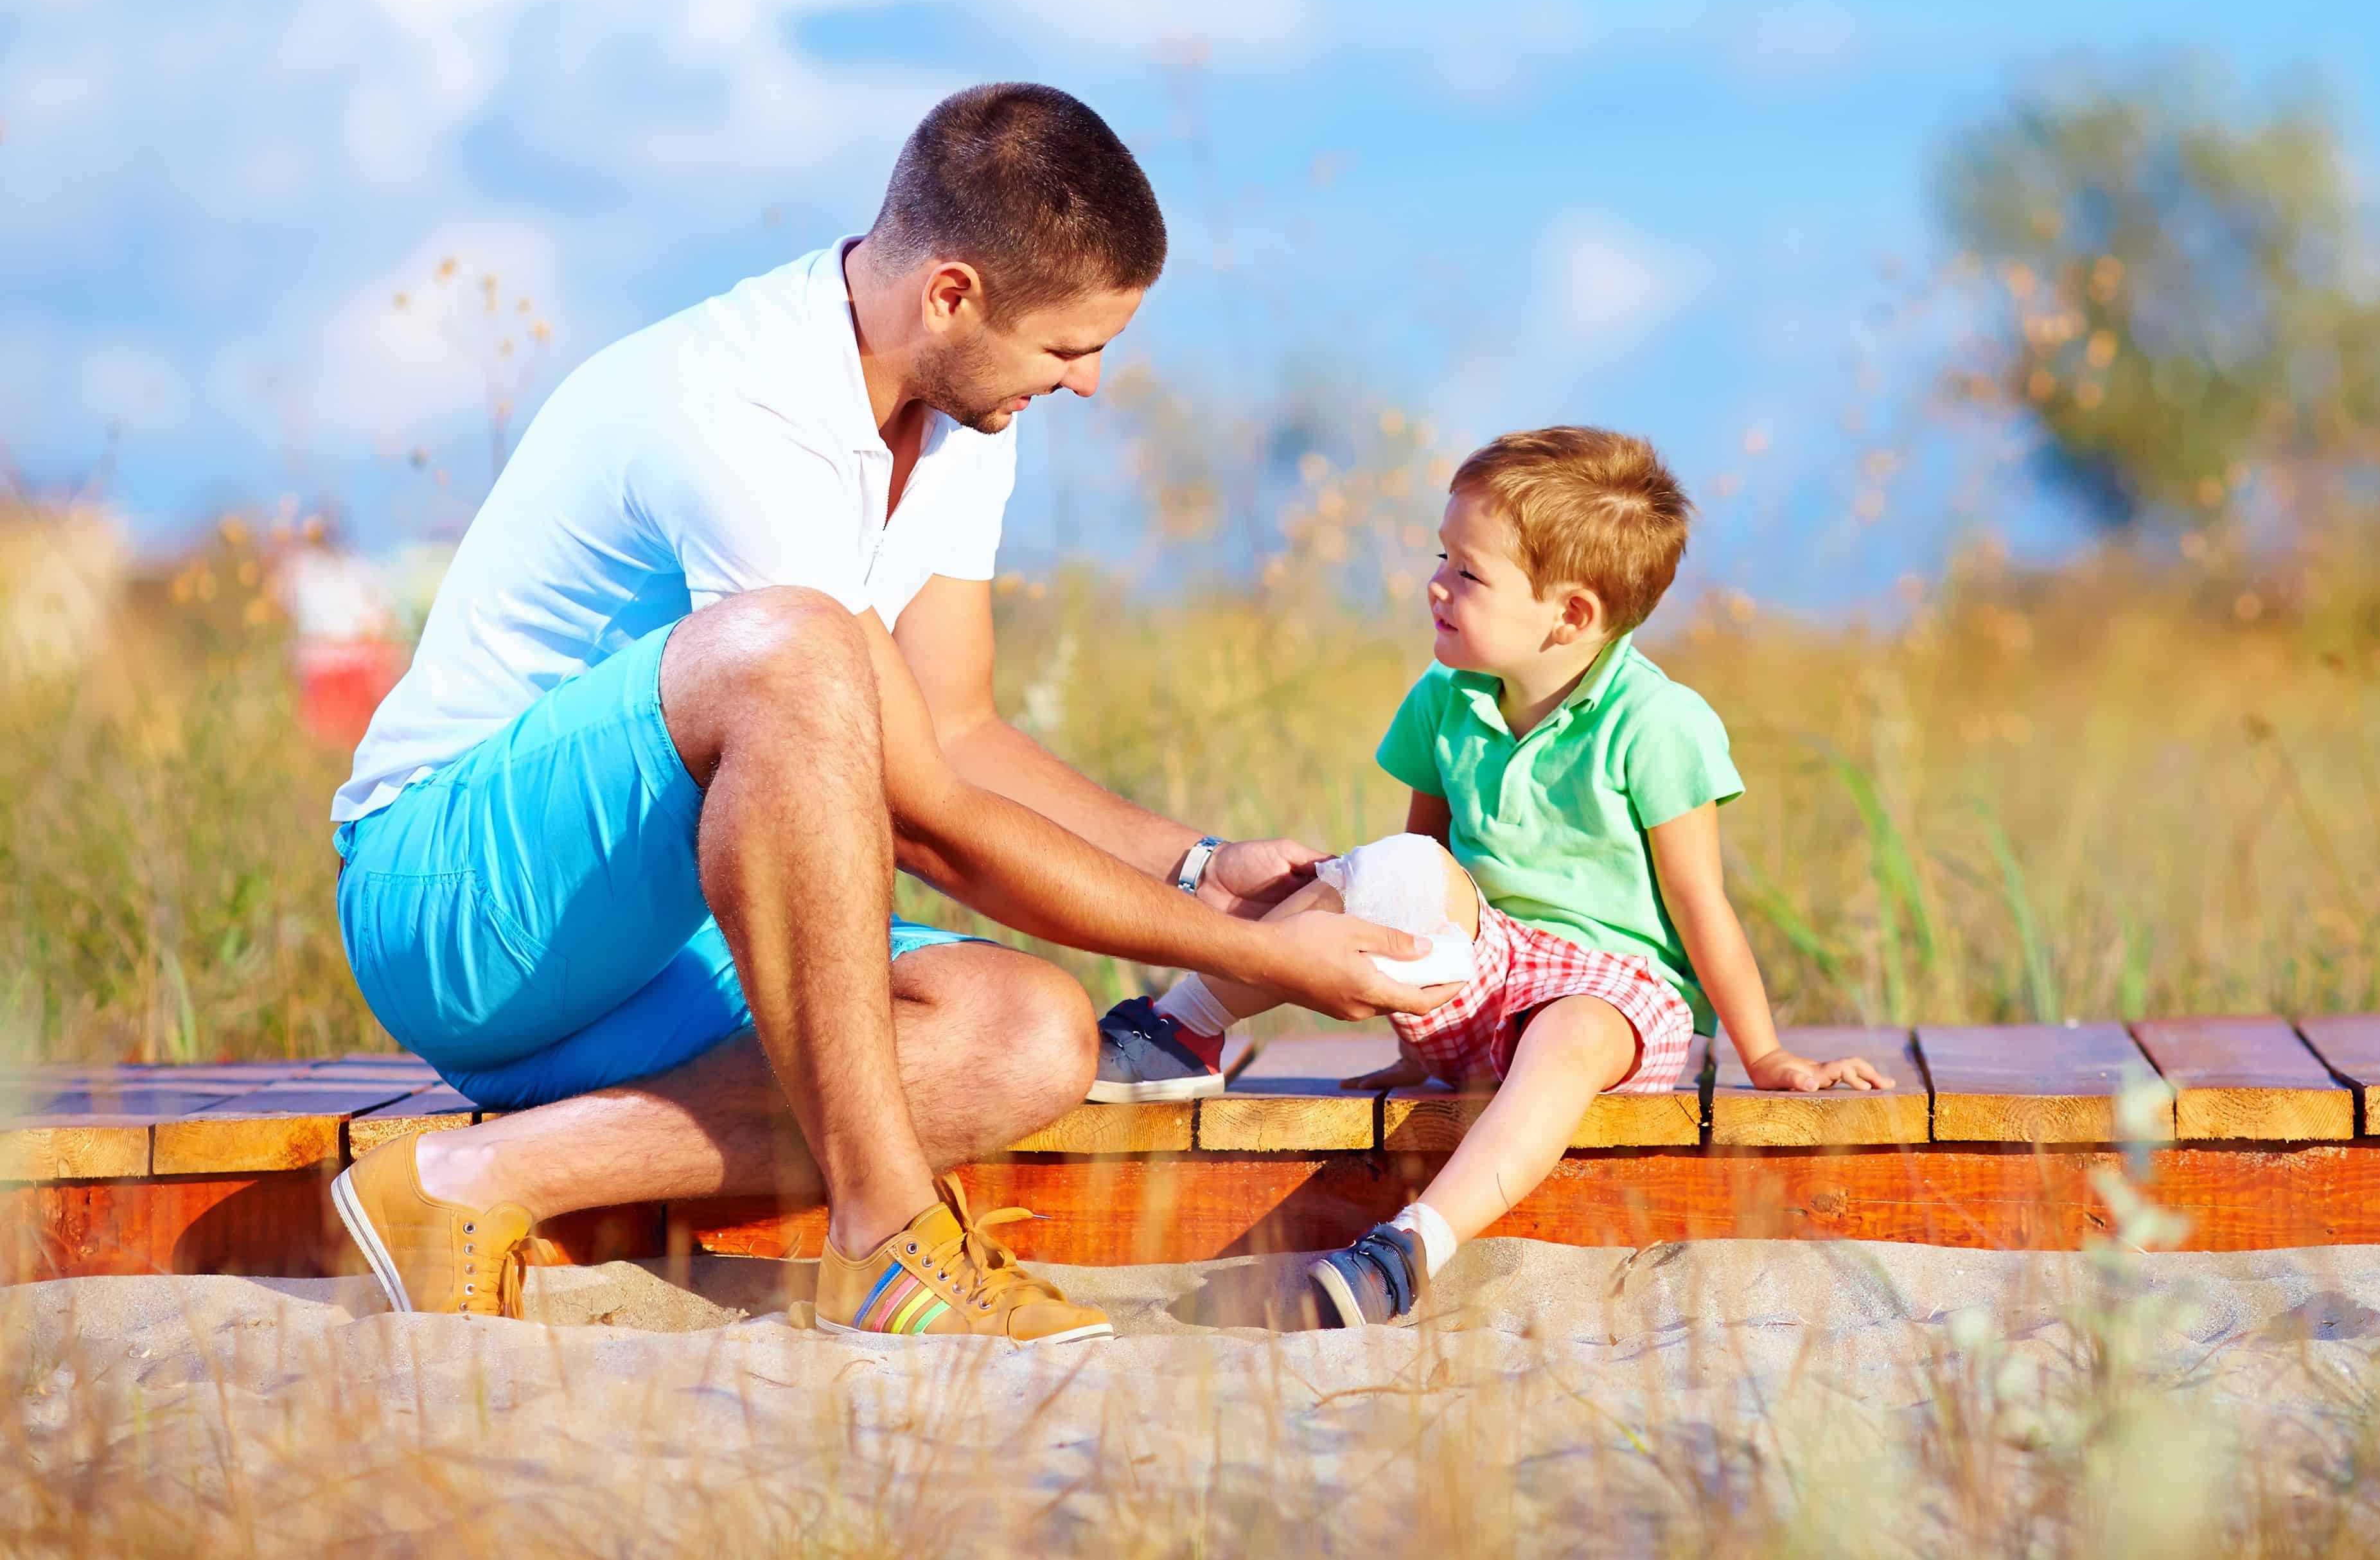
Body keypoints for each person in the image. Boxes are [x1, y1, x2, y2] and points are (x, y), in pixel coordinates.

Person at [326, 84, 1439, 1348]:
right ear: (952, 293)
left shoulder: (963, 409)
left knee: (1031, 1034)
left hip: (650, 942)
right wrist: (1255, 959)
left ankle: (475, 1185)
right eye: (1068, 347)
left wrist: (1197, 869)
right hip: (459, 906)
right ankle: (891, 1236)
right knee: (798, 654)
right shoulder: (751, 409)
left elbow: (956, 735)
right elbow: (922, 820)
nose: (1088, 384)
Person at [1091, 426, 1883, 1326]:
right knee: (1379, 868)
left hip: (1618, 999)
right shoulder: (1445, 697)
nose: (1435, 583)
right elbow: (1418, 868)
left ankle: (1409, 1246)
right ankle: (1182, 1026)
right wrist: (1409, 1017)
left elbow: (1703, 905)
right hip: (1488, 967)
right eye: (1442, 556)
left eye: (1468, 574)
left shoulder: (1659, 722)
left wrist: (1766, 1052)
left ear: (1570, 615)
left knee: (1574, 1030)